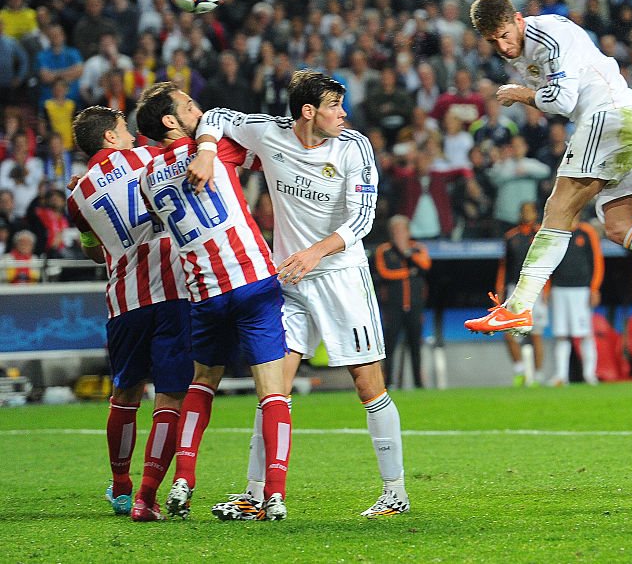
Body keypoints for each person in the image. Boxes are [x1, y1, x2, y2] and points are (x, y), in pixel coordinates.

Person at [186, 68, 409, 519]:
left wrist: (313, 253)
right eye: (334, 106)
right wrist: (207, 152)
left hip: (342, 277)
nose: (343, 114)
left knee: (368, 385)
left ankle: (395, 492)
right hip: (290, 281)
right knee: (273, 388)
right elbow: (216, 117)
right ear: (308, 112)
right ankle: (254, 493)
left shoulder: (354, 147)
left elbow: (363, 218)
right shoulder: (270, 133)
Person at [464, 0, 632, 335]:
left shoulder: (547, 36)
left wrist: (521, 94)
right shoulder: (525, 49)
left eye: (504, 35)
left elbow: (562, 100)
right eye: (492, 41)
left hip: (609, 118)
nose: (502, 46)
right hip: (631, 121)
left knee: (559, 208)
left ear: (517, 19)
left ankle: (518, 307)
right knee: (620, 225)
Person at [135, 83, 292, 521]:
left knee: (202, 383)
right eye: (188, 106)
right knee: (273, 391)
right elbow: (263, 150)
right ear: (170, 121)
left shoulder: (147, 179)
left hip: (205, 292)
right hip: (251, 280)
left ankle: (183, 480)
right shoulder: (215, 149)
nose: (198, 111)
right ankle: (275, 494)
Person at [66, 105, 191, 522]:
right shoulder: (150, 157)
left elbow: (92, 252)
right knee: (170, 396)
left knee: (125, 396)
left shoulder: (76, 197)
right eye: (124, 130)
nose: (132, 135)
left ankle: (121, 488)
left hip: (124, 302)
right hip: (173, 291)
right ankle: (146, 498)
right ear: (109, 137)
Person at [374, 215, 432, 389]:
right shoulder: (384, 250)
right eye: (395, 230)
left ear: (408, 231)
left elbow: (425, 265)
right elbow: (384, 273)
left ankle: (418, 384)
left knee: (415, 345)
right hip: (393, 306)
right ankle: (387, 384)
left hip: (415, 305)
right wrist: (408, 273)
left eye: (401, 230)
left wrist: (406, 253)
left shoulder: (417, 248)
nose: (398, 234)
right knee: (390, 345)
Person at [495, 202, 548, 386]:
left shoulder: (542, 234)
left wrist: (547, 290)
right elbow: (504, 267)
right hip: (515, 289)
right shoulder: (511, 237)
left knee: (536, 334)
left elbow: (548, 263)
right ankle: (520, 370)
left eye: (529, 211)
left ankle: (538, 375)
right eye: (523, 211)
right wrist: (500, 289)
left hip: (536, 289)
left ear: (535, 213)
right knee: (509, 333)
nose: (526, 214)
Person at [547, 216, 604, 387]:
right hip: (559, 289)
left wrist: (594, 288)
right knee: (561, 334)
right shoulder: (555, 232)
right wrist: (547, 288)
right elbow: (547, 262)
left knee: (585, 333)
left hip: (581, 290)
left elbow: (597, 261)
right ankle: (561, 375)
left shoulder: (587, 232)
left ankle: (589, 375)